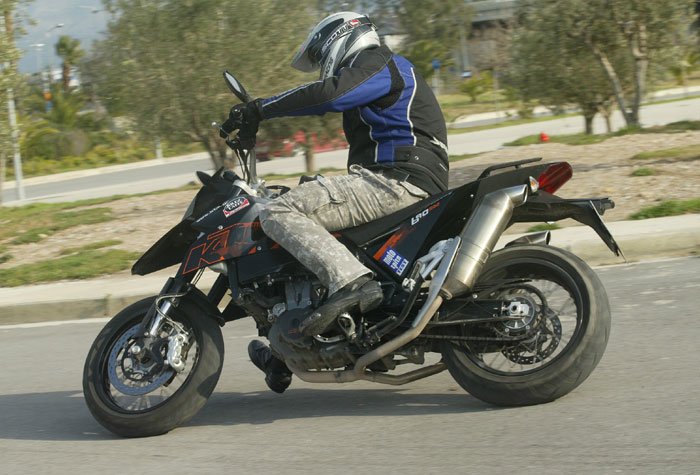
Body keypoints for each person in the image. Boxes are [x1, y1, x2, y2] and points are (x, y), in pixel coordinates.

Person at [222, 11, 449, 393]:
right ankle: (285, 354)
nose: (320, 66)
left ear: (340, 37)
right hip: (396, 179)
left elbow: (330, 94)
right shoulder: (378, 71)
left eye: (318, 55)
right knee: (307, 224)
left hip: (396, 180)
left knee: (279, 211)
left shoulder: (380, 62)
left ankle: (351, 283)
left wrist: (260, 109)